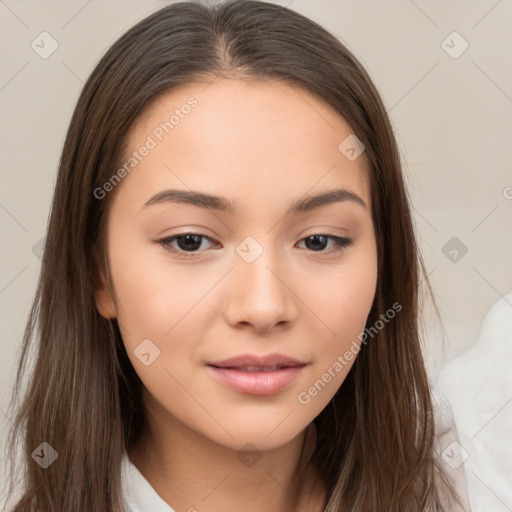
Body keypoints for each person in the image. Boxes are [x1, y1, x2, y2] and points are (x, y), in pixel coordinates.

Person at [3, 0, 471, 510]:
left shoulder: (475, 480)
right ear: (99, 274)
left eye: (319, 241)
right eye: (190, 241)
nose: (263, 306)